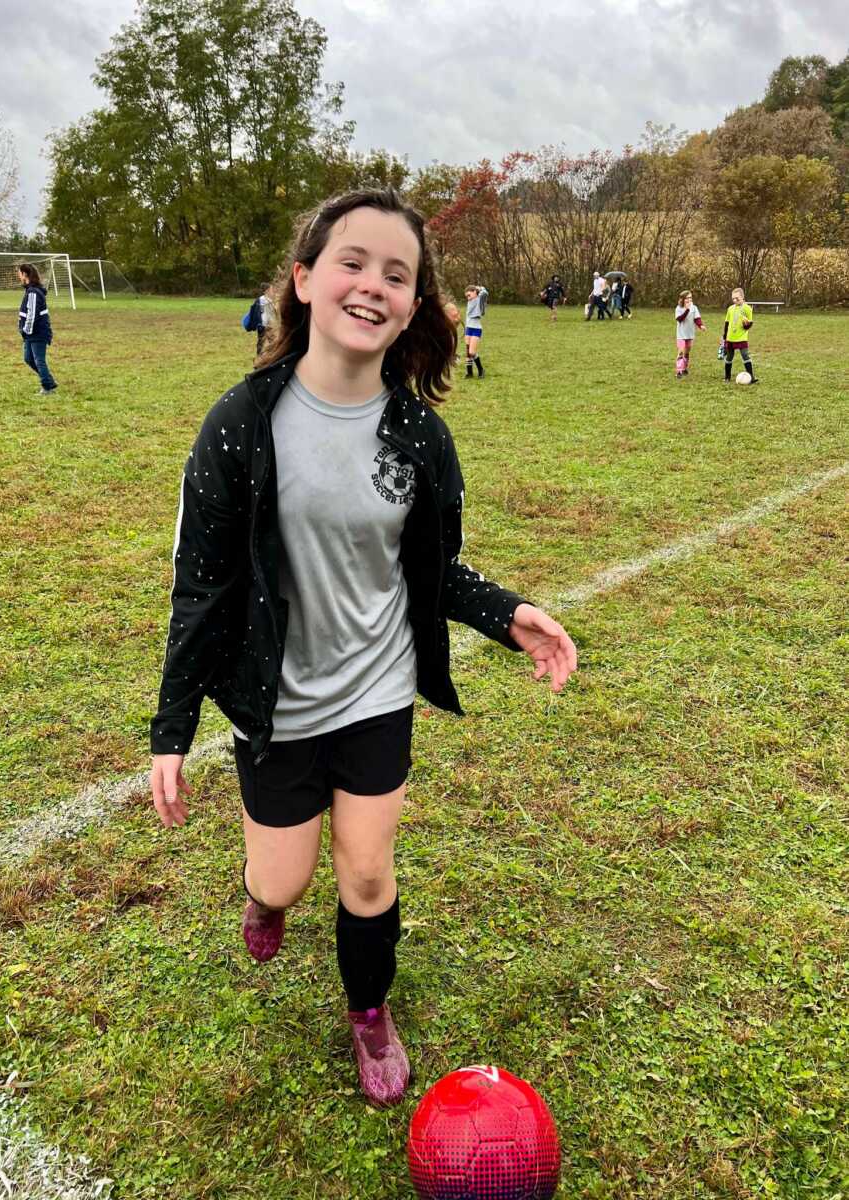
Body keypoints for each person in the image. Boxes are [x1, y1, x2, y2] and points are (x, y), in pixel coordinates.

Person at [148, 187, 577, 1109]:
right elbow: (202, 586)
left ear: (416, 305)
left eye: (399, 274)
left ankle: (368, 1010)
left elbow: (434, 570)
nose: (373, 285)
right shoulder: (238, 426)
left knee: (371, 873)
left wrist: (510, 615)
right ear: (302, 281)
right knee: (284, 875)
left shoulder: (420, 435)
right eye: (353, 263)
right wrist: (171, 727)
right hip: (277, 705)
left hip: (376, 691)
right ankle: (265, 897)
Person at [17, 264, 57, 394]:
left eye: (19, 273)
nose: (19, 276)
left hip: (37, 333)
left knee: (39, 360)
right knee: (28, 358)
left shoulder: (33, 292)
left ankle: (47, 387)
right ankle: (49, 381)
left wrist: (25, 330)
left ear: (25, 274)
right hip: (31, 334)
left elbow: (32, 314)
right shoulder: (30, 291)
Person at [722, 287, 758, 383]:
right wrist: (724, 338)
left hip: (742, 337)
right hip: (730, 337)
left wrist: (747, 324)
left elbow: (749, 325)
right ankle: (727, 377)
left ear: (742, 297)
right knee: (729, 356)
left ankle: (751, 377)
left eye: (737, 298)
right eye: (733, 298)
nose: (734, 300)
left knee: (745, 355)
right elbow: (726, 323)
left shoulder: (748, 308)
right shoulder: (730, 309)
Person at [674, 289, 705, 378]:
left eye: (690, 298)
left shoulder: (694, 308)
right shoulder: (679, 308)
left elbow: (697, 319)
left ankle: (684, 368)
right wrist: (687, 310)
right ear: (682, 299)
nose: (689, 300)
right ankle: (679, 371)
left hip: (690, 334)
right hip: (681, 335)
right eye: (687, 298)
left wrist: (701, 325)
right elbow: (679, 319)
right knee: (680, 352)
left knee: (687, 352)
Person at [463, 284, 488, 377]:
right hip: (468, 328)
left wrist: (479, 288)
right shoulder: (471, 301)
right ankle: (469, 373)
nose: (468, 298)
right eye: (466, 296)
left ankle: (481, 370)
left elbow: (485, 292)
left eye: (469, 295)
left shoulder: (479, 299)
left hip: (476, 329)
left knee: (472, 352)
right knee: (467, 351)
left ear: (475, 292)